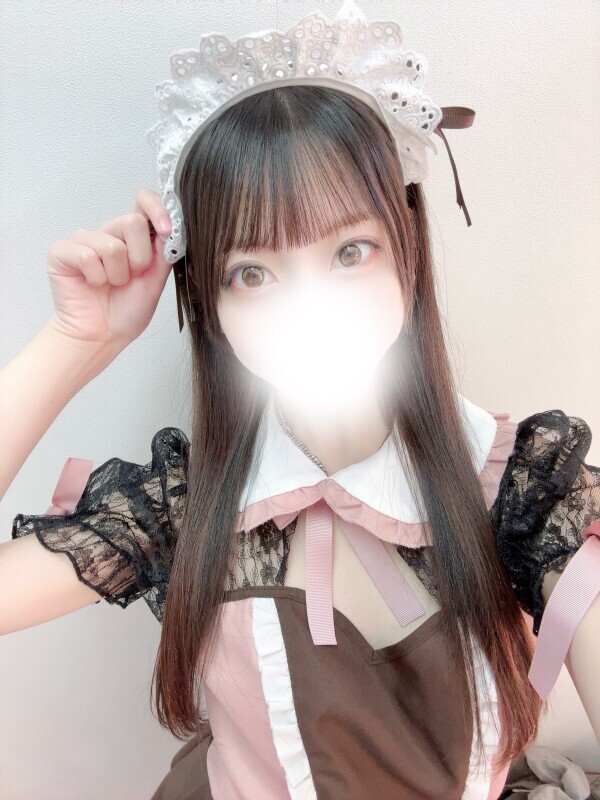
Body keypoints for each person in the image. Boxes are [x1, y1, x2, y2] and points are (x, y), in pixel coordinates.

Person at [2, 3, 599, 799]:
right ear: (211, 304)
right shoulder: (187, 502)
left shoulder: (525, 489)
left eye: (350, 251)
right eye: (253, 272)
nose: (310, 309)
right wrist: (77, 342)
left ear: (407, 254)